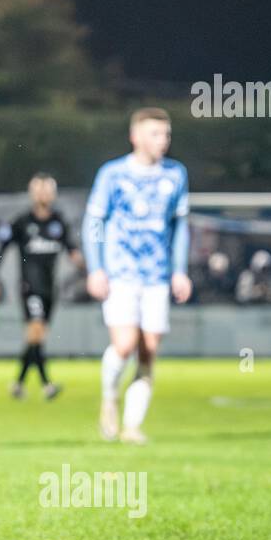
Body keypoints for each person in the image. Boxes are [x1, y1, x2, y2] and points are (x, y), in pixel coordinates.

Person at [82, 107, 191, 445]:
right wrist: (95, 267)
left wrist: (180, 271)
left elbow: (180, 225)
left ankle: (132, 426)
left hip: (156, 276)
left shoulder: (176, 174)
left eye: (167, 134)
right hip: (121, 274)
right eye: (156, 133)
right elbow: (93, 223)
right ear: (136, 136)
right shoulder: (113, 174)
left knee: (149, 350)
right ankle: (109, 398)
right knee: (125, 344)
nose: (164, 140)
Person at [0, 174, 83, 400]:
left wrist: (87, 266)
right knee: (36, 331)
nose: (43, 194)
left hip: (50, 289)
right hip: (29, 287)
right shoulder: (22, 222)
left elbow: (73, 251)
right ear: (32, 193)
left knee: (36, 338)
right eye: (39, 189)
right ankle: (46, 384)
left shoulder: (59, 222)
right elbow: (0, 251)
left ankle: (19, 383)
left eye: (47, 189)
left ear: (53, 193)